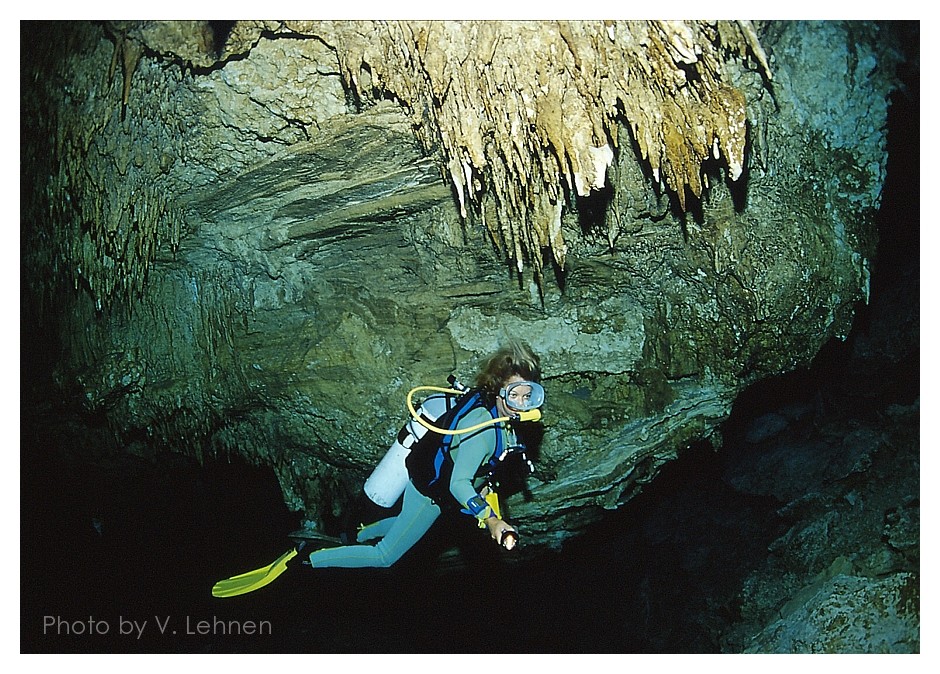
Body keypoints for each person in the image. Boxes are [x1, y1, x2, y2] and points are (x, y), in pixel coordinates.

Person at [298, 340, 544, 569]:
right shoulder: (483, 428)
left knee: (409, 523)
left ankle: (356, 533)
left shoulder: (502, 418)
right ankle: (310, 559)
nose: (521, 404)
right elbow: (458, 484)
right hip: (430, 493)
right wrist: (491, 519)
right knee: (384, 556)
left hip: (436, 492)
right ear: (499, 390)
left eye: (527, 396)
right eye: (514, 395)